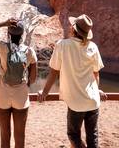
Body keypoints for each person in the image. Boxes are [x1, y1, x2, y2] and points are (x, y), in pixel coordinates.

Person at [38, 14, 105, 148]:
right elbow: (96, 73)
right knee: (93, 136)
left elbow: (54, 71)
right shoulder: (93, 47)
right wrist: (96, 90)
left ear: (73, 29)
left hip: (76, 102)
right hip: (93, 100)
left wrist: (44, 91)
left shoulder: (62, 45)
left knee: (73, 135)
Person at [0, 18, 38, 148]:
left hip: (3, 95)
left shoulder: (2, 47)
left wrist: (4, 23)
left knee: (5, 135)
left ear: (9, 34)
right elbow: (33, 78)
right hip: (21, 95)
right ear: (22, 34)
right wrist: (25, 85)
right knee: (20, 137)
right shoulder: (29, 51)